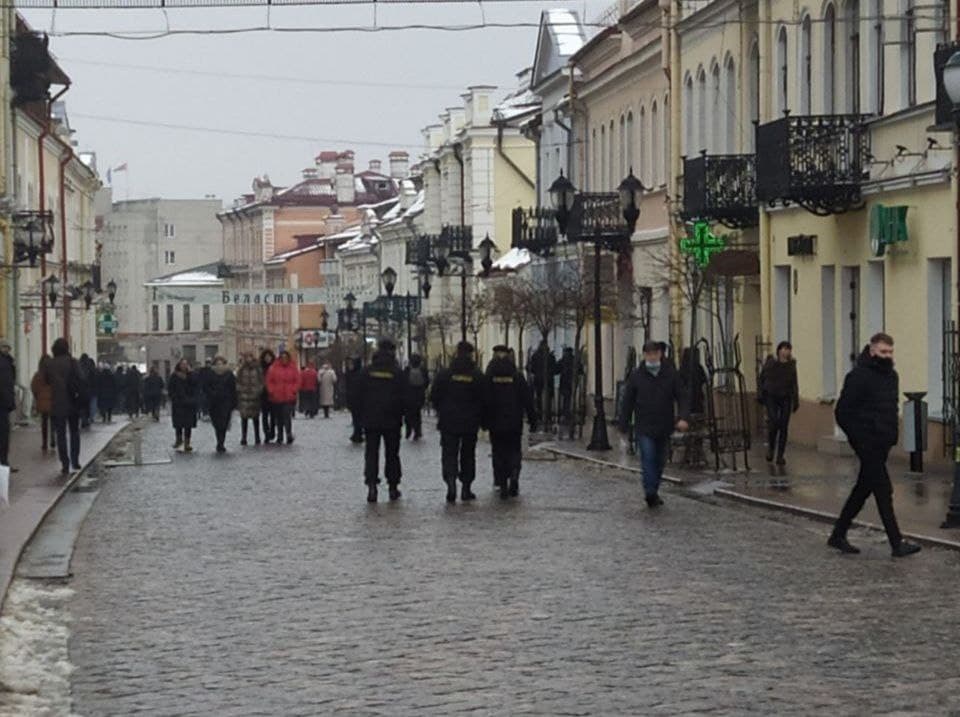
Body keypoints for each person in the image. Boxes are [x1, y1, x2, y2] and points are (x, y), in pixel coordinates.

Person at [829, 333, 921, 558]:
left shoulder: (892, 376)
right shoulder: (858, 376)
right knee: (883, 489)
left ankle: (838, 534)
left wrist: (891, 434)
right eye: (882, 352)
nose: (887, 356)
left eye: (890, 352)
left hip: (883, 442)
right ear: (872, 351)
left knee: (863, 488)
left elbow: (890, 408)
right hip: (867, 442)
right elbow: (842, 412)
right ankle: (896, 543)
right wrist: (859, 438)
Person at [619, 340, 690, 508]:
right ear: (644, 356)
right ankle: (650, 492)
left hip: (664, 425)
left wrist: (683, 417)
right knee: (648, 457)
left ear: (660, 354)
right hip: (644, 426)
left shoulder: (670, 374)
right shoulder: (636, 375)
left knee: (660, 460)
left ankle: (654, 489)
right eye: (648, 354)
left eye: (655, 353)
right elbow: (627, 402)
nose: (652, 357)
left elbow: (682, 396)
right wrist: (624, 424)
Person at [432, 341, 486, 503]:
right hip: (470, 421)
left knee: (449, 453)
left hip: (449, 420)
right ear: (471, 354)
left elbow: (434, 396)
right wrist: (481, 417)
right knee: (468, 454)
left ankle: (450, 483)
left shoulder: (445, 374)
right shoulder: (476, 375)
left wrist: (441, 411)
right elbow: (484, 399)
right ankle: (466, 488)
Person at [356, 339, 405, 502]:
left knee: (371, 453)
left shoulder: (366, 371)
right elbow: (404, 397)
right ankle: (392, 486)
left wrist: (360, 415)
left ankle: (372, 486)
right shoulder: (397, 372)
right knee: (392, 454)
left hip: (371, 419)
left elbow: (357, 395)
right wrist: (402, 414)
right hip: (392, 419)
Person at [484, 345, 536, 499]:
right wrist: (533, 419)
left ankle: (502, 482)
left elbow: (484, 399)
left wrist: (484, 420)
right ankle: (514, 475)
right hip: (514, 421)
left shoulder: (489, 376)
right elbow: (527, 399)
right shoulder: (517, 376)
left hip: (495, 422)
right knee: (514, 450)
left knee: (498, 452)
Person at [46, 338, 83, 476]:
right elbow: (81, 378)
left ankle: (65, 463)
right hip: (73, 401)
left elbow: (46, 380)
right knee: (74, 432)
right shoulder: (73, 362)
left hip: (58, 403)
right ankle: (75, 460)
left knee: (60, 434)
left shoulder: (51, 364)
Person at [759, 341, 799, 465]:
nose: (786, 351)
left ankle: (780, 455)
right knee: (774, 422)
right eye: (783, 348)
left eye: (788, 349)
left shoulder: (791, 365)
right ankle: (771, 448)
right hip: (771, 396)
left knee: (784, 426)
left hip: (786, 397)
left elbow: (794, 383)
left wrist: (795, 400)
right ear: (779, 350)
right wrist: (761, 394)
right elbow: (762, 378)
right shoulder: (771, 363)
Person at [266, 350, 299, 445]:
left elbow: (297, 380)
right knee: (278, 417)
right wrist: (271, 391)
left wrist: (293, 390)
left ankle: (288, 434)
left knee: (287, 416)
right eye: (282, 357)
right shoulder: (273, 368)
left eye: (286, 357)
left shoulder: (292, 368)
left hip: (288, 397)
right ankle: (279, 435)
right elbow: (269, 381)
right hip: (276, 397)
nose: (284, 359)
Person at [206, 356, 237, 453]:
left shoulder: (229, 374)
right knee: (216, 423)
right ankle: (219, 441)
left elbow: (233, 388)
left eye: (221, 363)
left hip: (226, 402)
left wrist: (234, 402)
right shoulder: (210, 374)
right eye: (217, 363)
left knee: (224, 423)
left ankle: (221, 442)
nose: (219, 365)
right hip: (214, 403)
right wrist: (211, 394)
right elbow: (206, 387)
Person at [167, 359, 200, 452]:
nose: (184, 366)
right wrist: (174, 398)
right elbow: (170, 389)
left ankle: (187, 443)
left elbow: (196, 385)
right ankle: (178, 440)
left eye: (186, 364)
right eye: (182, 364)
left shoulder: (192, 375)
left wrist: (194, 399)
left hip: (190, 404)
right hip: (178, 404)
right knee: (178, 424)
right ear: (179, 365)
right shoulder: (174, 376)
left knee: (188, 425)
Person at [236, 351, 264, 446]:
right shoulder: (241, 369)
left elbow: (261, 381)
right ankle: (244, 437)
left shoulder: (257, 369)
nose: (248, 359)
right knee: (244, 419)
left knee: (256, 419)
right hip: (244, 397)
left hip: (255, 396)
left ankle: (257, 437)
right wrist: (240, 389)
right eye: (247, 357)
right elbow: (238, 381)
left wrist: (259, 389)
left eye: (250, 357)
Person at [527, 339, 558, 424]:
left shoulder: (535, 355)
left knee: (539, 398)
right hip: (548, 380)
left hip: (538, 380)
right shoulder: (550, 356)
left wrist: (535, 372)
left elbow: (530, 368)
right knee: (548, 398)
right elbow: (555, 369)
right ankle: (547, 416)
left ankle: (540, 415)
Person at [31, 356, 55, 452]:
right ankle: (53, 437)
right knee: (53, 421)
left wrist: (38, 397)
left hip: (42, 402)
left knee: (44, 423)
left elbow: (33, 387)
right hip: (52, 401)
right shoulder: (53, 375)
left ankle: (44, 443)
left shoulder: (38, 375)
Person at [403, 354, 429, 440]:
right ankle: (417, 431)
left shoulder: (407, 370)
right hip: (419, 395)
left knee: (408, 414)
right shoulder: (423, 370)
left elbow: (403, 382)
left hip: (408, 396)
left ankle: (408, 430)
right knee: (417, 414)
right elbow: (427, 382)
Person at [0, 339, 16, 470]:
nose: (7, 349)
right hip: (3, 403)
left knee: (4, 433)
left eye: (8, 347)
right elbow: (5, 384)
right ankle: (3, 463)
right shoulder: (4, 362)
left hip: (5, 402)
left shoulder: (8, 361)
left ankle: (4, 462)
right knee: (3, 433)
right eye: (5, 347)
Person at [557, 347, 581, 423]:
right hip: (571, 382)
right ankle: (567, 413)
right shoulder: (574, 360)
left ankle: (566, 413)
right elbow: (580, 370)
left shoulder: (563, 360)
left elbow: (556, 369)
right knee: (568, 398)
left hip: (565, 382)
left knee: (566, 398)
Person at [345, 357, 364, 443]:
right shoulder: (352, 373)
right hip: (354, 399)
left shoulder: (358, 374)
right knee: (356, 417)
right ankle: (357, 432)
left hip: (358, 399)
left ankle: (358, 433)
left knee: (357, 418)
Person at [259, 349, 277, 442]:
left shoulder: (275, 367)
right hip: (263, 394)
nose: (267, 358)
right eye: (266, 357)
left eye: (269, 357)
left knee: (273, 415)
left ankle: (273, 431)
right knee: (265, 415)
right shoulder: (260, 368)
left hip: (273, 394)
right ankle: (266, 433)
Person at [77, 353, 96, 428]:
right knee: (87, 406)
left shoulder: (78, 366)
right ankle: (86, 420)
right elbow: (93, 378)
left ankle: (83, 419)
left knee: (81, 406)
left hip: (80, 390)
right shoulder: (90, 366)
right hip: (88, 390)